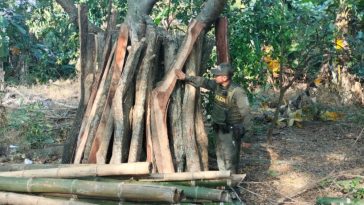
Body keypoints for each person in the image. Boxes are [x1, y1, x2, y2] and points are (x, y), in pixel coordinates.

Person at [175, 62, 250, 174]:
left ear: (224, 78)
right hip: (218, 128)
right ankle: (224, 182)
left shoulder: (238, 92)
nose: (214, 77)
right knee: (220, 156)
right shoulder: (217, 86)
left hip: (231, 131)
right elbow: (203, 82)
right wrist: (186, 77)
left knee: (230, 160)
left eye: (217, 75)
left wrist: (247, 137)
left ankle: (232, 187)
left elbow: (246, 114)